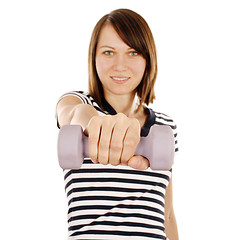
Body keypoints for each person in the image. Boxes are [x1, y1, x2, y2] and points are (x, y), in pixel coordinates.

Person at [56, 8, 179, 240]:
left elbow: (168, 214)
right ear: (94, 57)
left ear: (147, 59)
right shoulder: (77, 101)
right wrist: (94, 122)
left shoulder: (165, 125)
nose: (120, 65)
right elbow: (71, 113)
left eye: (133, 53)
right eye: (109, 52)